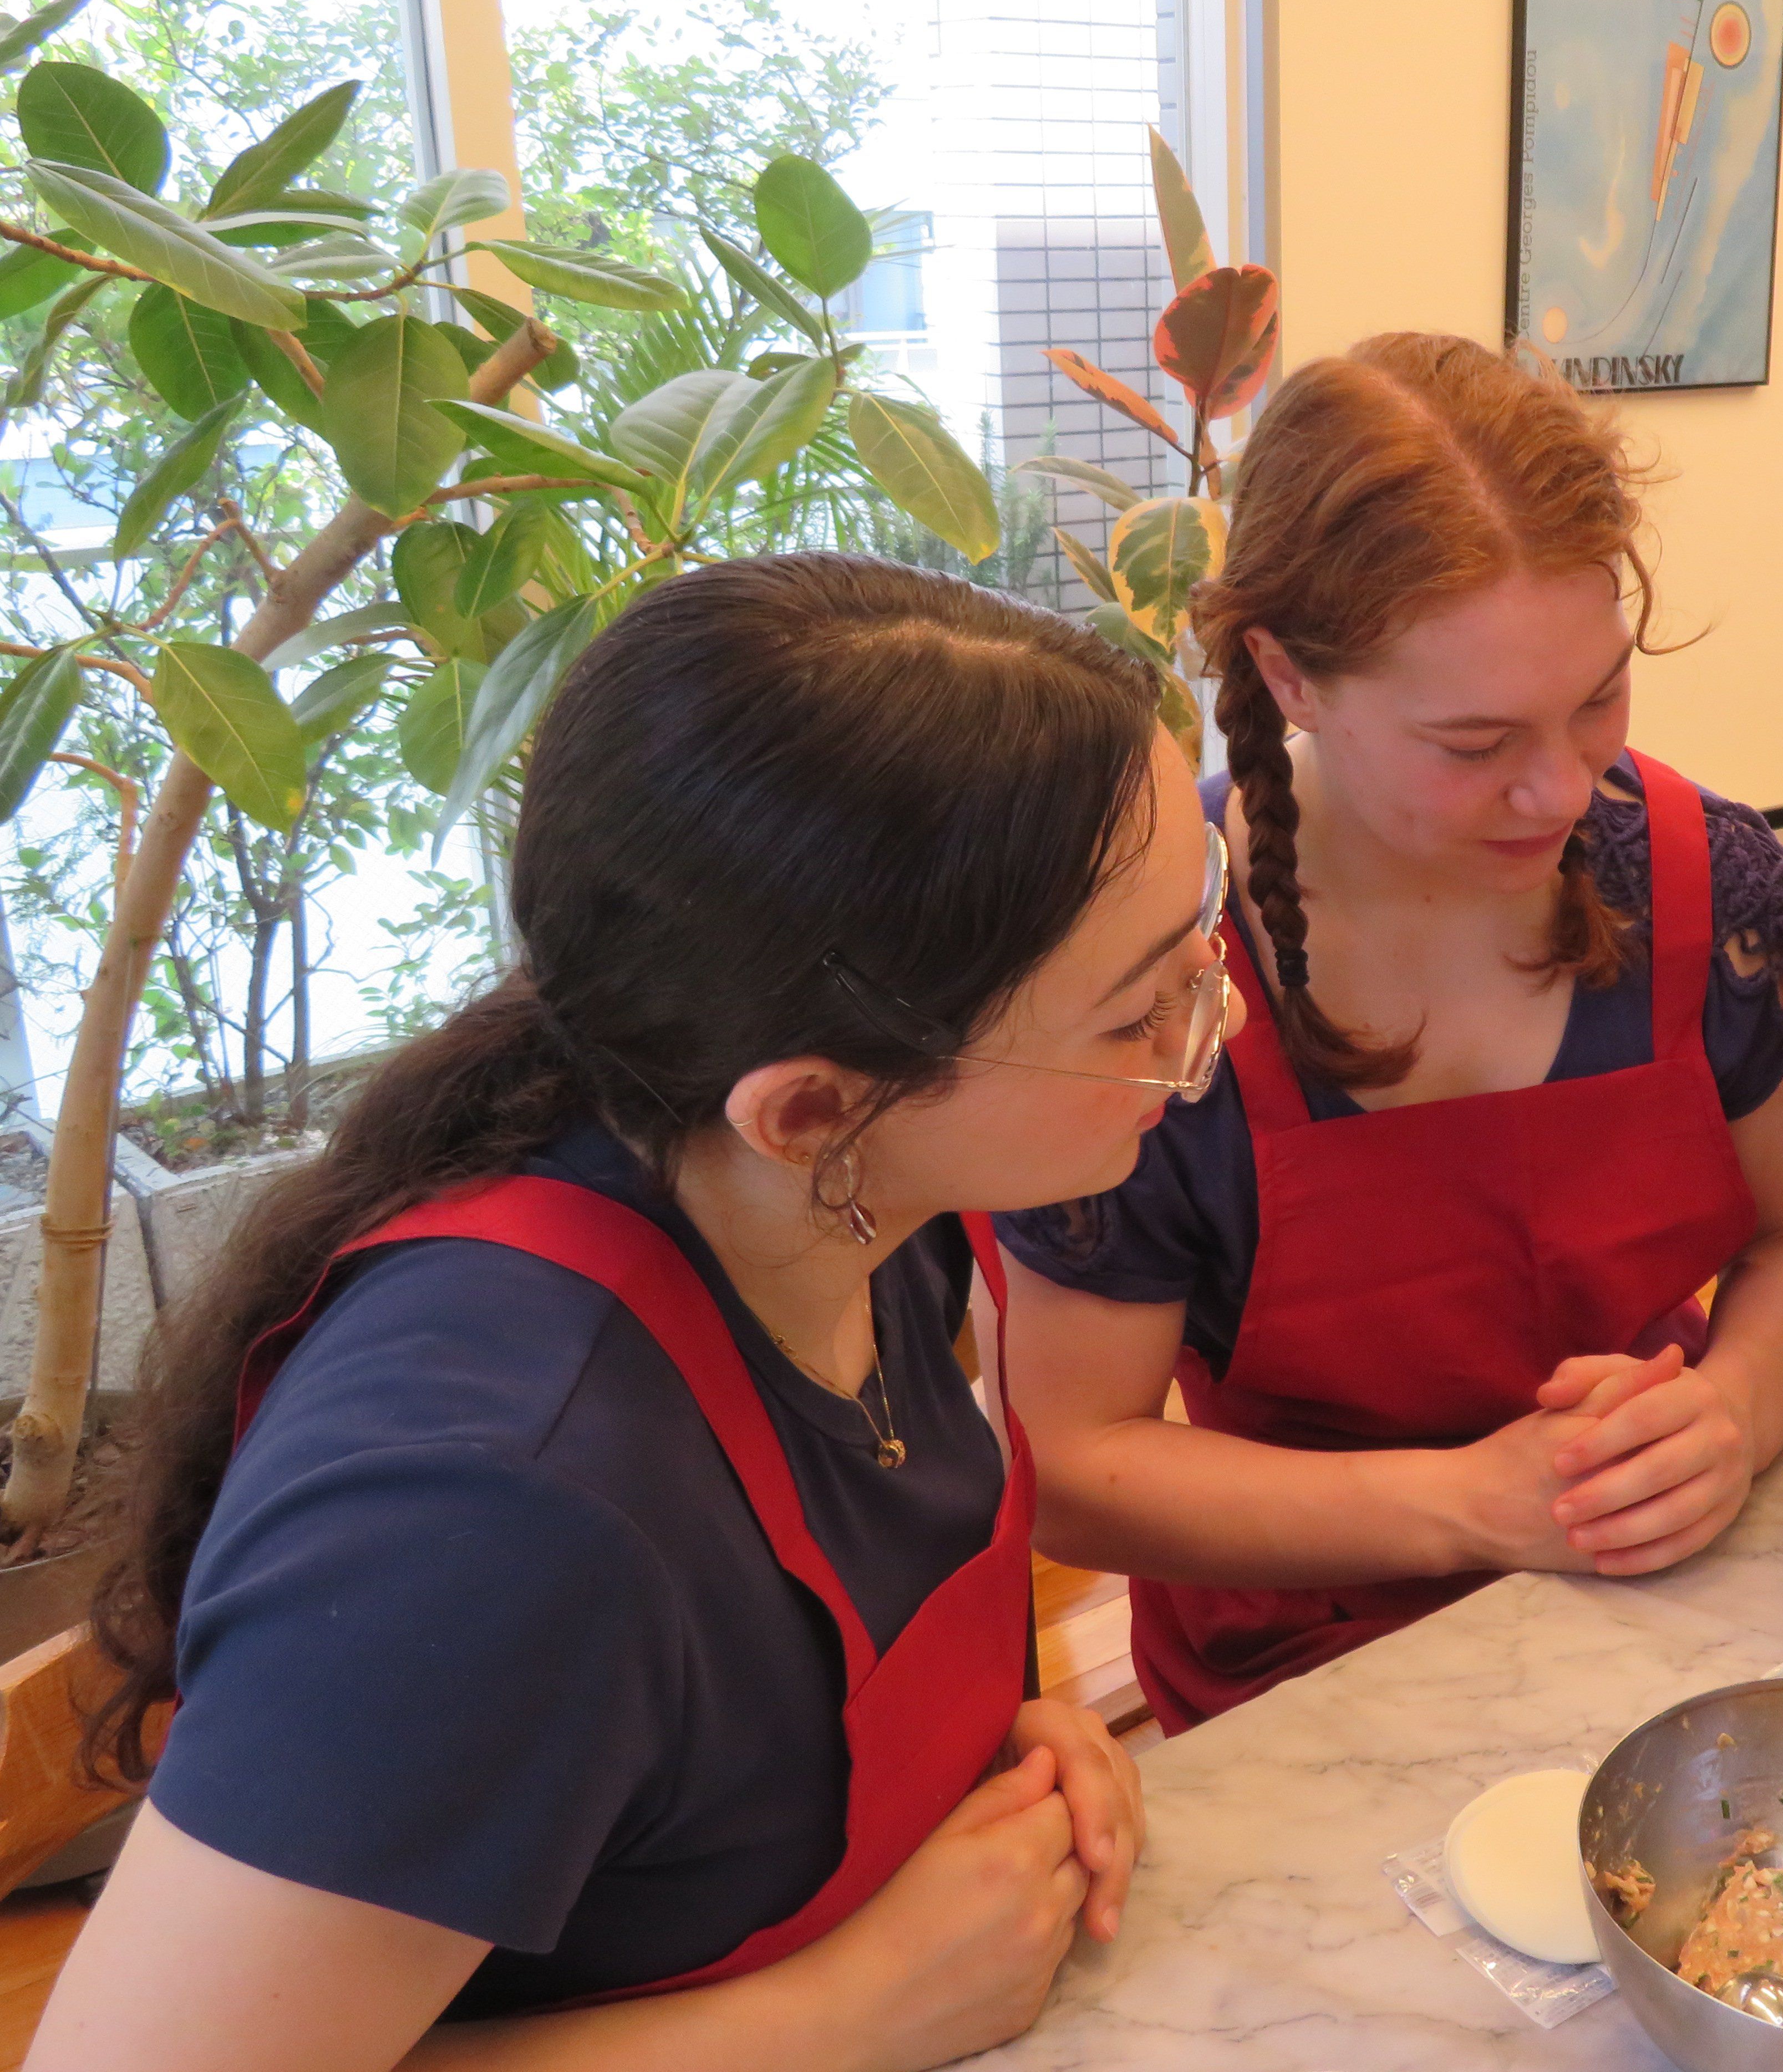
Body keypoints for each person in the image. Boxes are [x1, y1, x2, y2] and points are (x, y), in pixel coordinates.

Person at [31, 555, 1225, 2069]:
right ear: (810, 1109)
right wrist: (835, 2019)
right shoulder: (487, 1507)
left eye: (1200, 936)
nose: (1205, 1021)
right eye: (1139, 1012)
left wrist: (1004, 1766)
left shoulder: (877, 1224)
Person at [993, 333, 1783, 1730]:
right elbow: (1075, 1468)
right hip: (1311, 1674)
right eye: (1475, 745)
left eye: (1598, 701)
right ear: (1290, 677)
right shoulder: (1145, 973)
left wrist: (1740, 1410)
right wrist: (1469, 1508)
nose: (1562, 789)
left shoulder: (1706, 885)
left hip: (1675, 1596)